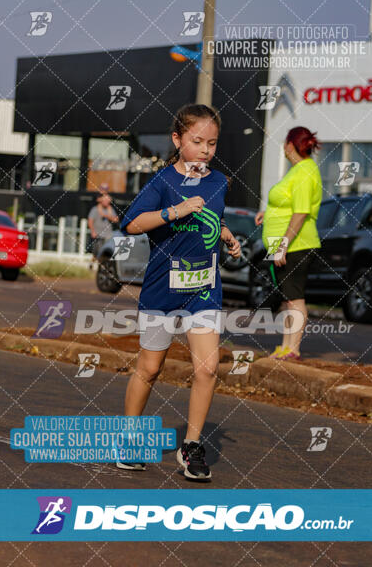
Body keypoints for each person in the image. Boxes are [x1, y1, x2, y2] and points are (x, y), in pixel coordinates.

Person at [118, 104, 241, 481]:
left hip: (203, 288)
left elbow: (212, 217)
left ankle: (190, 447)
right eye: (197, 141)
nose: (205, 150)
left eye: (212, 143)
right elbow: (132, 224)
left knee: (207, 368)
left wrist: (226, 235)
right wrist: (175, 211)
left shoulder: (219, 181)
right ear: (178, 139)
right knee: (150, 368)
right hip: (162, 289)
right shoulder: (162, 183)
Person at [255, 126, 322, 361]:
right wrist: (268, 214)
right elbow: (288, 205)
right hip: (287, 245)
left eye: (285, 143)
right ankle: (285, 347)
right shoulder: (298, 170)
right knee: (287, 299)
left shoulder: (304, 172)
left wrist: (283, 245)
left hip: (297, 245)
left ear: (290, 145)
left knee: (295, 298)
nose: (283, 147)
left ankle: (293, 349)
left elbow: (301, 212)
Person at [88, 193, 119, 265]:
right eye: (105, 200)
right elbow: (90, 221)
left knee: (105, 254)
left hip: (108, 236)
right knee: (96, 253)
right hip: (98, 236)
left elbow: (116, 220)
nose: (106, 202)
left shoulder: (111, 210)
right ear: (101, 200)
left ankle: (102, 267)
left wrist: (106, 215)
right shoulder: (95, 209)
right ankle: (92, 265)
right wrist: (93, 231)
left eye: (108, 200)